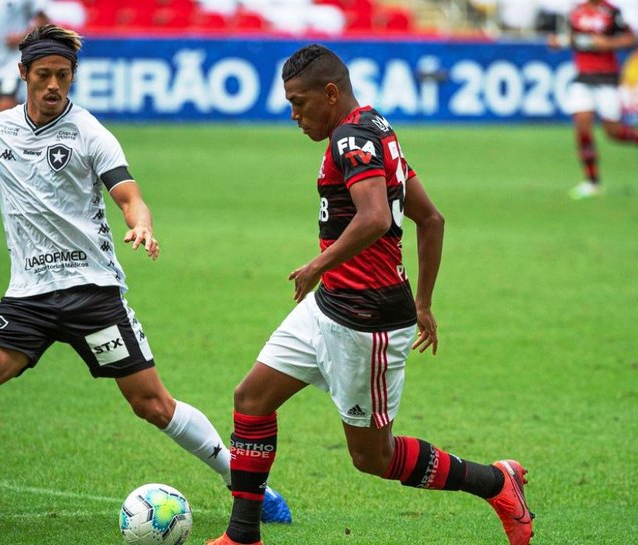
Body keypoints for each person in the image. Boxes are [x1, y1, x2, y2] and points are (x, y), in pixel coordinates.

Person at [0, 24, 290, 530]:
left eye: (63, 75)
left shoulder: (88, 131)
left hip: (91, 293)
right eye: (43, 75)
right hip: (28, 299)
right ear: (23, 74)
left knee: (152, 403)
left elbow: (128, 194)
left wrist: (142, 225)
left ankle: (249, 485)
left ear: (73, 76)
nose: (54, 85)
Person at [206, 44, 534, 545]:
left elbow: (377, 216)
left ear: (331, 92)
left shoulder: (350, 139)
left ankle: (496, 482)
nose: (294, 115)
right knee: (251, 399)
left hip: (367, 322)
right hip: (329, 307)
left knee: (372, 459)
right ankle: (242, 535)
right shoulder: (377, 127)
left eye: (299, 102)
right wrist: (423, 303)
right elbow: (431, 218)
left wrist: (317, 264)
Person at [548, 0, 638, 200]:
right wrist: (559, 42)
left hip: (606, 78)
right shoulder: (576, 12)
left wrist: (609, 44)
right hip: (583, 76)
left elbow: (632, 38)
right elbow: (573, 38)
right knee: (582, 124)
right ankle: (592, 182)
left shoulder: (612, 12)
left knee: (613, 132)